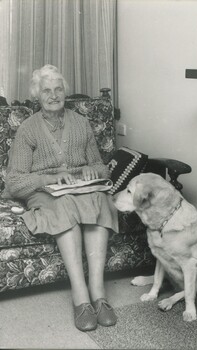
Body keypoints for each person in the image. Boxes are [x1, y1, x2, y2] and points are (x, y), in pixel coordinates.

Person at [5, 64, 118, 332]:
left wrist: (92, 169)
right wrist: (49, 179)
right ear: (37, 96)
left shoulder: (82, 123)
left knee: (101, 200)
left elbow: (101, 167)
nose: (53, 95)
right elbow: (15, 181)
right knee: (65, 205)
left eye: (58, 89)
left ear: (65, 92)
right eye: (46, 90)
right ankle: (80, 299)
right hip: (45, 192)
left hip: (80, 186)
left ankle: (99, 295)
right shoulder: (28, 129)